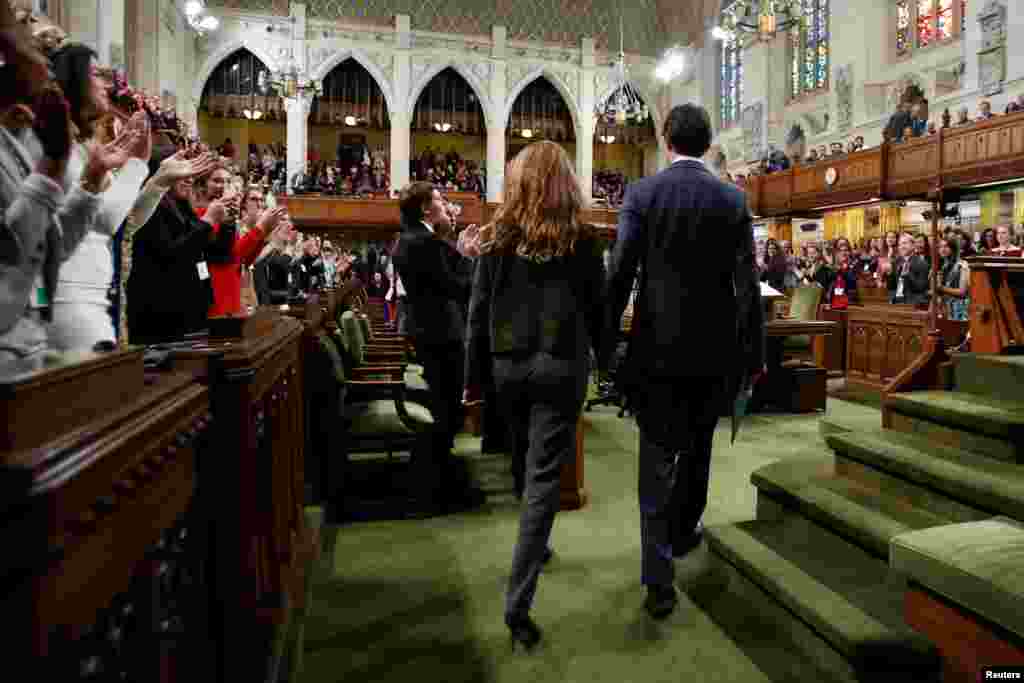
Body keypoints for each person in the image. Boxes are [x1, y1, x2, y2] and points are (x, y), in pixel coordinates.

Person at [600, 103, 764, 620]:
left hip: (657, 352)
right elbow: (747, 289)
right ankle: (682, 530)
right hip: (713, 353)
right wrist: (752, 356)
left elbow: (621, 272)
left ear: (667, 139)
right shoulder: (732, 199)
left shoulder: (644, 194)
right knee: (698, 454)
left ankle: (658, 576)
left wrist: (604, 345)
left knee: (656, 464)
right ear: (709, 143)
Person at [464, 141, 604, 650]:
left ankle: (535, 541)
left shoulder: (497, 235)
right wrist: (610, 370)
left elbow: (478, 315)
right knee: (544, 479)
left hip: (509, 370)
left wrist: (473, 382)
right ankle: (518, 603)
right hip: (560, 367)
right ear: (566, 182)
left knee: (528, 464)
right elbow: (599, 313)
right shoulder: (583, 237)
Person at [393, 181, 479, 514]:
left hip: (432, 332)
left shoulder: (416, 239)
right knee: (446, 408)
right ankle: (439, 487)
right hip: (440, 334)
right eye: (441, 202)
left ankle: (442, 479)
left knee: (445, 407)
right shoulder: (423, 241)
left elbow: (445, 277)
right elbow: (456, 287)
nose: (447, 208)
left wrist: (458, 250)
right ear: (427, 208)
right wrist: (469, 258)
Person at [888, 232, 930, 305]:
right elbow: (892, 286)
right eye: (900, 244)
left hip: (914, 303)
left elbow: (921, 288)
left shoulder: (922, 263)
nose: (901, 247)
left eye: (904, 243)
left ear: (913, 245)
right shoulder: (896, 262)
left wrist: (909, 275)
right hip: (897, 302)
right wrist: (888, 274)